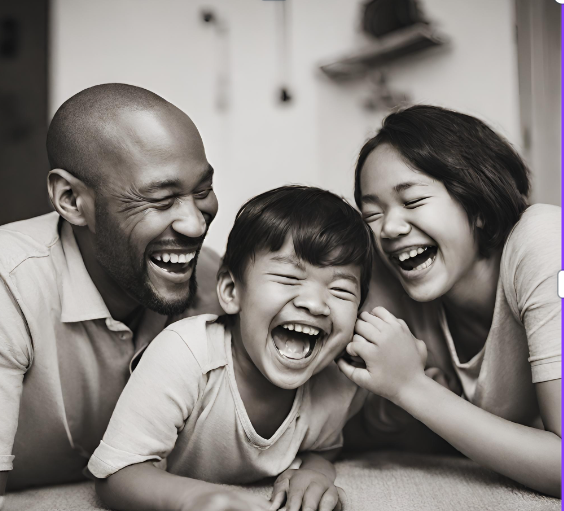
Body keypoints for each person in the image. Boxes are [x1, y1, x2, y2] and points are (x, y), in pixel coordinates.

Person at [87, 186, 373, 511]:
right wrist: (198, 498)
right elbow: (116, 475)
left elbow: (322, 447)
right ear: (230, 291)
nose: (315, 303)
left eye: (340, 290)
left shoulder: (335, 385)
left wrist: (316, 473)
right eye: (289, 278)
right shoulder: (185, 354)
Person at [0, 84, 223, 493]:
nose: (195, 224)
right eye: (160, 199)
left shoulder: (213, 280)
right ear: (71, 200)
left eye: (203, 191)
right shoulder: (9, 285)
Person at [339, 105, 561, 496]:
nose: (388, 228)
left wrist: (411, 388)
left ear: (475, 202)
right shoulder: (396, 289)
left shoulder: (545, 240)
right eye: (371, 214)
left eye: (412, 201)